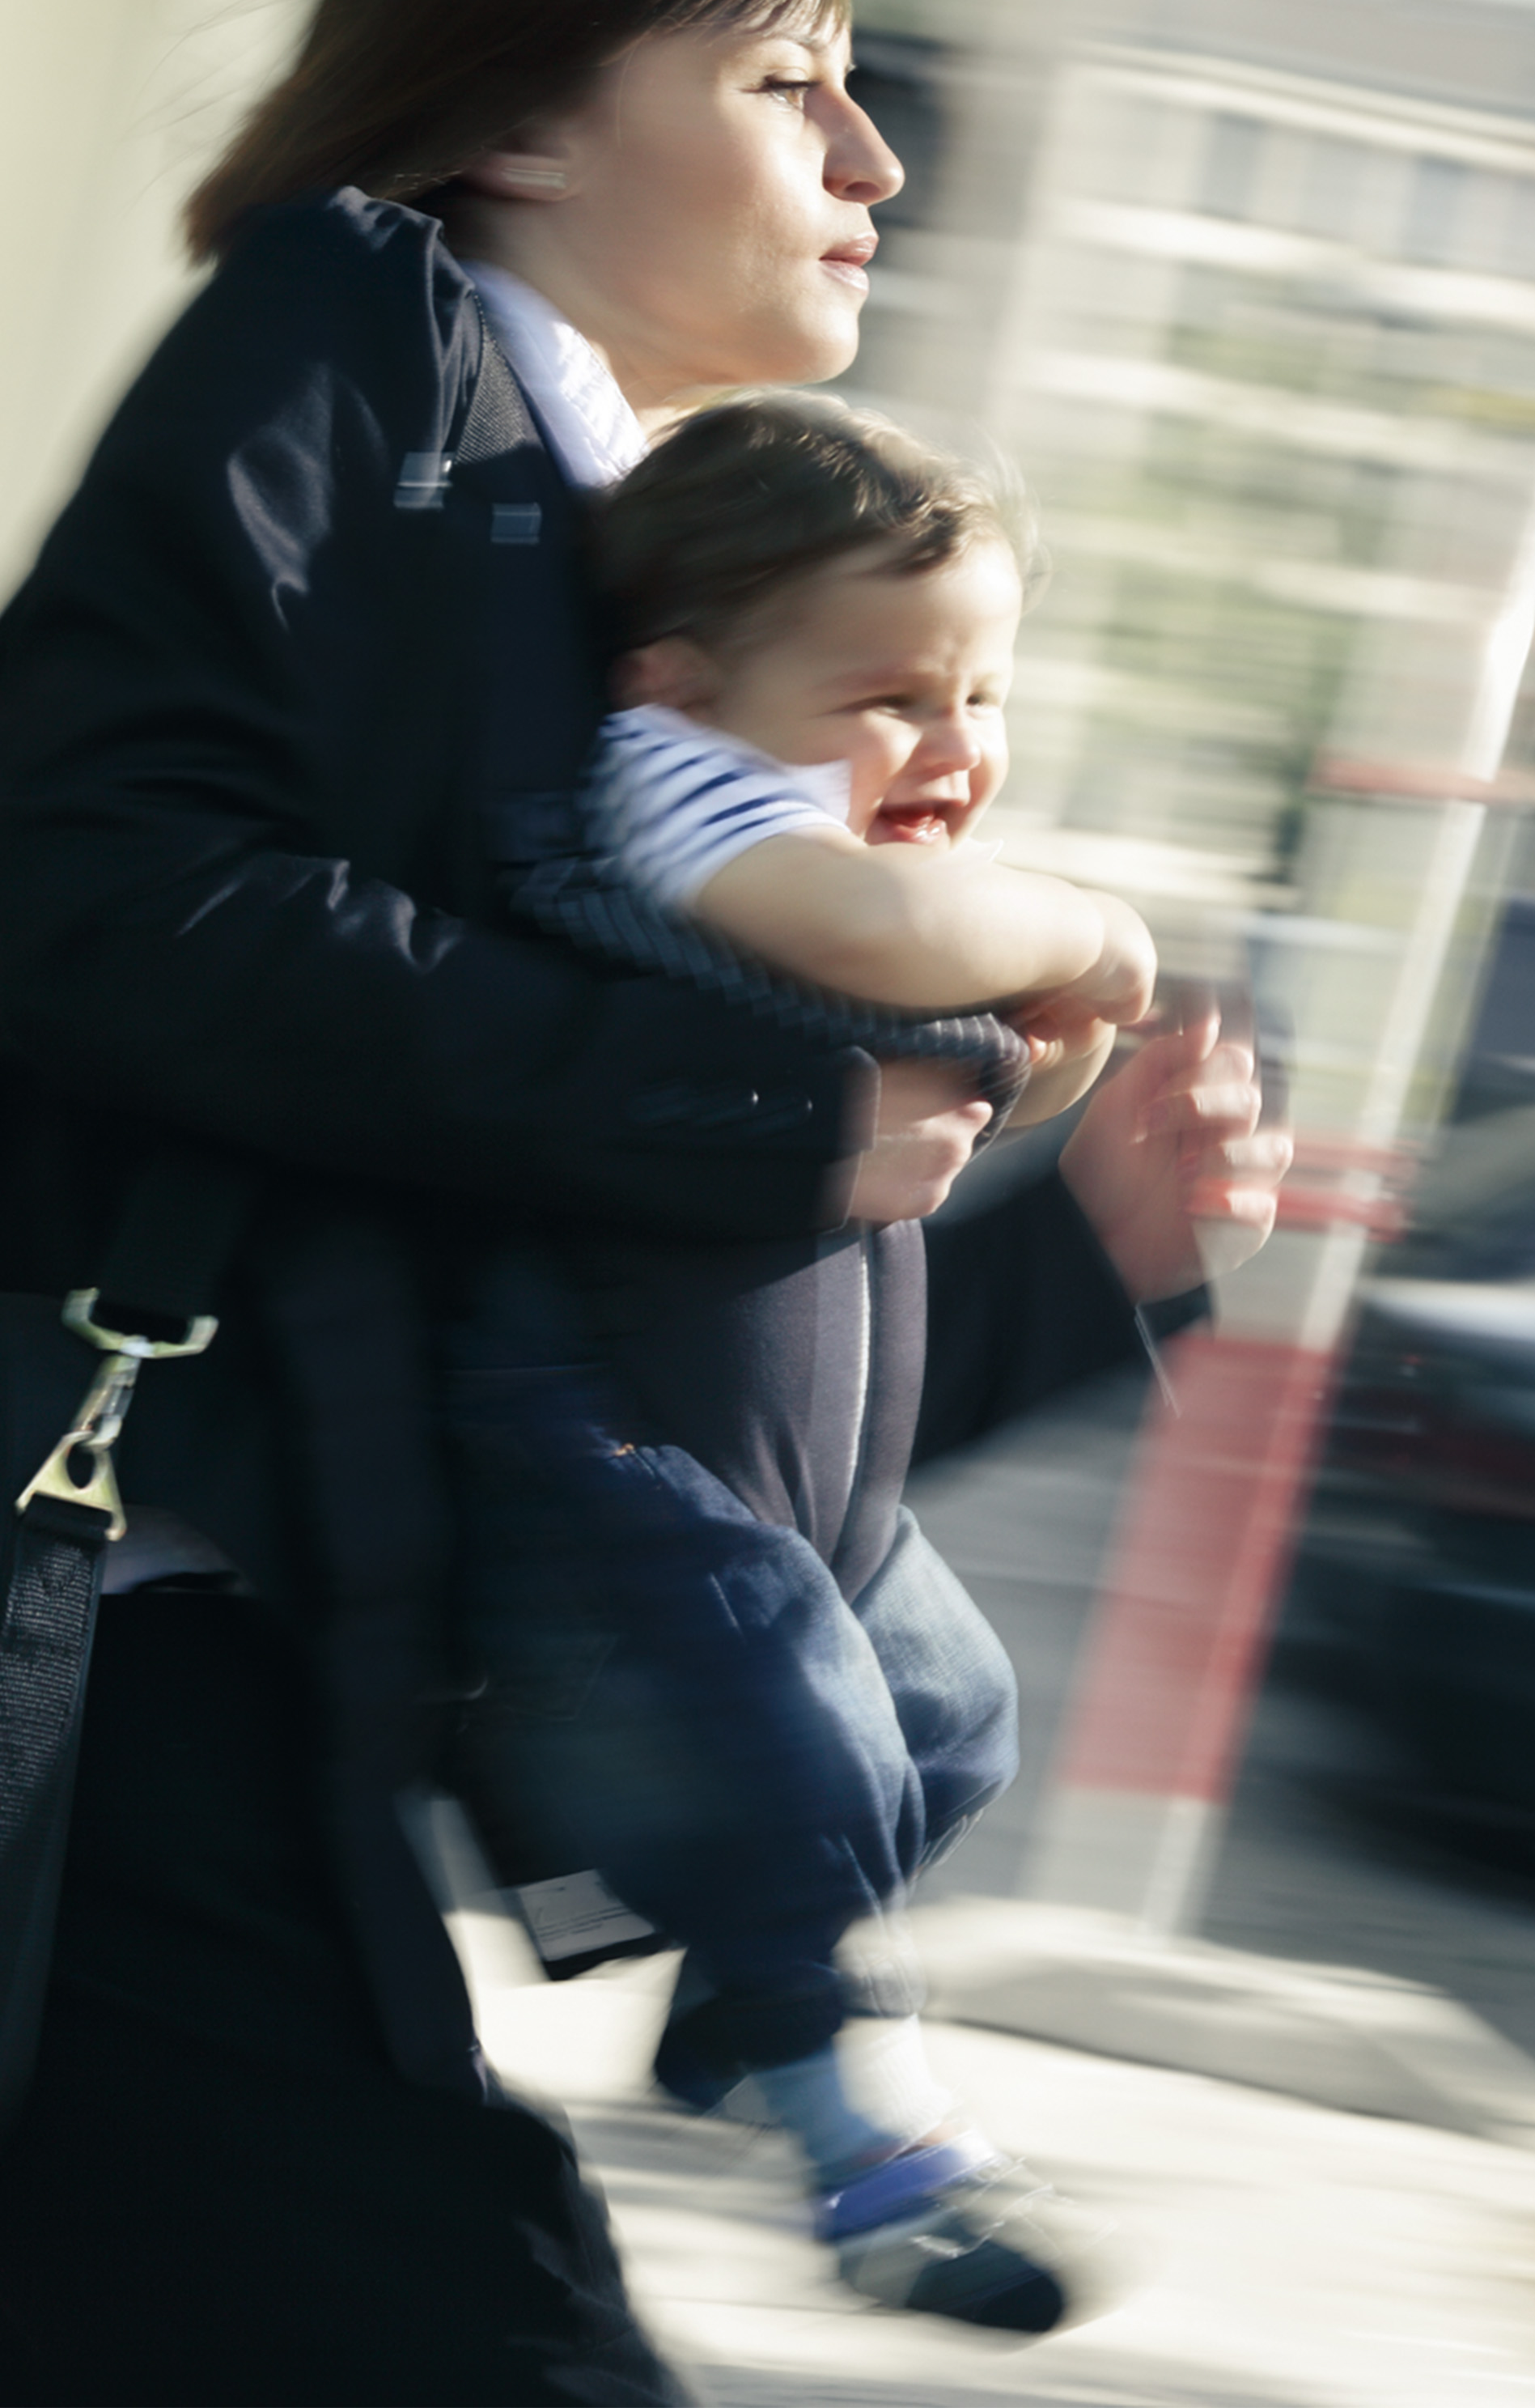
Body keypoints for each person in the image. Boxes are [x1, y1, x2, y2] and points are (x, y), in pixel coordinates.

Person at [0, 0, 1284, 2406]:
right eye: (787, 84)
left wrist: (1086, 1253)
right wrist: (775, 1119)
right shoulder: (364, 330)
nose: (874, 161)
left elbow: (651, 1413)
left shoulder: (614, 604)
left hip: (247, 1713)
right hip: (100, 1665)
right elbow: (127, 919)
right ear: (514, 123)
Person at [444, 391, 1158, 2336]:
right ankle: (874, 2141)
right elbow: (856, 917)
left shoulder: (824, 835)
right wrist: (1084, 925)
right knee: (790, 1714)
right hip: (608, 1435)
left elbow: (957, 1081)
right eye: (892, 695)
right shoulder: (680, 793)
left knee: (948, 1720)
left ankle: (741, 2013)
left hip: (788, 1465)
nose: (951, 743)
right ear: (677, 681)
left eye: (981, 693)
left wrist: (1052, 1055)